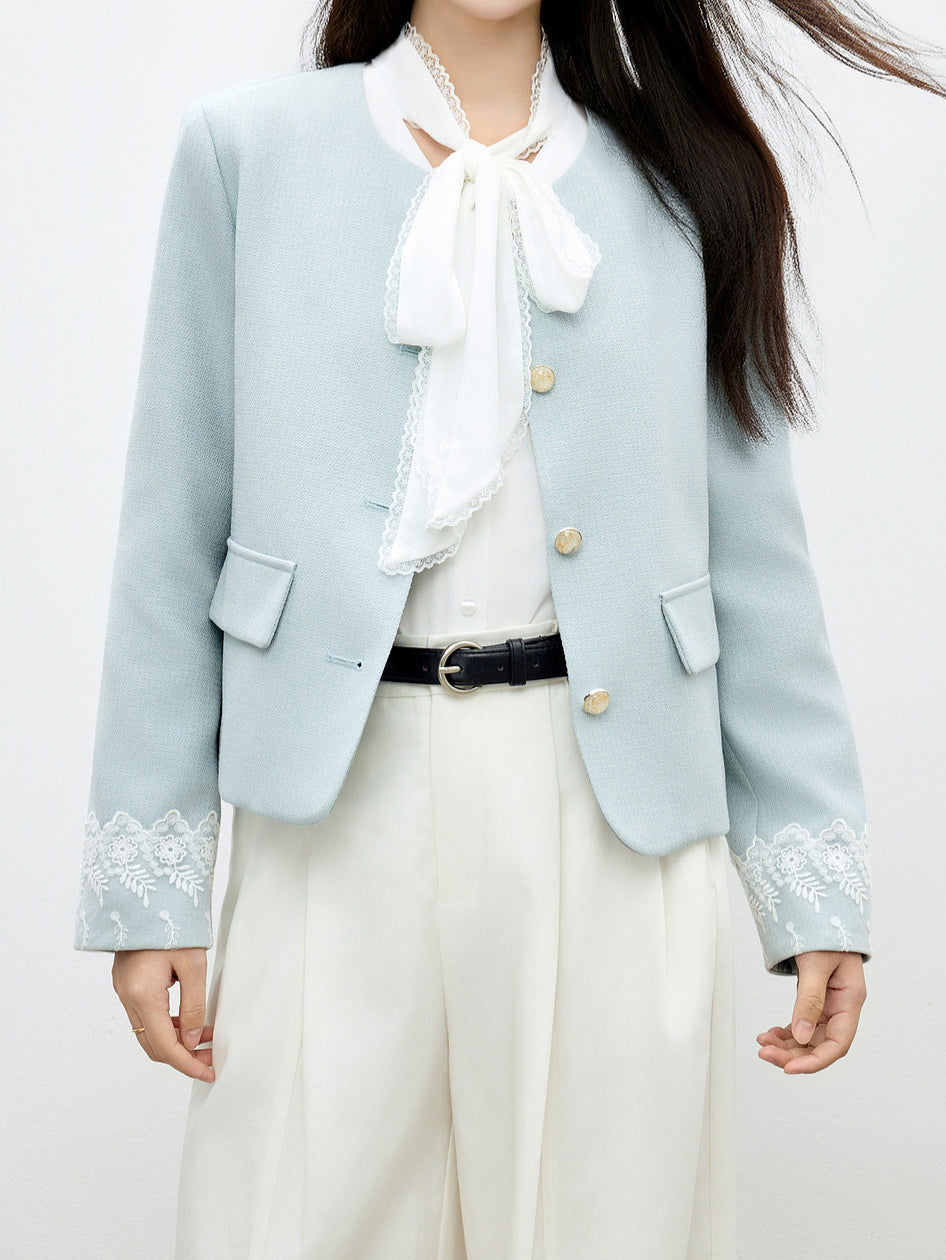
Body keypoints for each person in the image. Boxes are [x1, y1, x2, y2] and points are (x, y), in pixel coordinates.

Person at [72, 1, 944, 1256]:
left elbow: (755, 558)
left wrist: (812, 888)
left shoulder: (688, 178)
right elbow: (171, 525)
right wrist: (152, 890)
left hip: (614, 818)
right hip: (332, 807)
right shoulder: (245, 150)